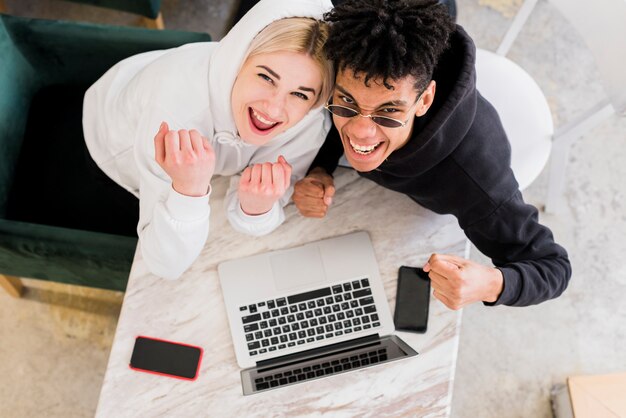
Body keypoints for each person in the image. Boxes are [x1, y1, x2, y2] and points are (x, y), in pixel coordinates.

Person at [293, 0, 572, 309]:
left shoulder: (475, 179)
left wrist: (493, 284)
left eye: (389, 112)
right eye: (346, 103)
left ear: (424, 100)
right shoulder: (349, 52)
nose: (360, 132)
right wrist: (321, 167)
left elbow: (554, 267)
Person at [82, 0, 334, 280]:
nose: (274, 109)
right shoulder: (173, 113)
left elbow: (264, 214)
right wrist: (189, 189)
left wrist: (255, 207)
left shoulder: (309, 121)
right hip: (111, 147)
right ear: (238, 62)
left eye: (300, 94)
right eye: (265, 77)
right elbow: (165, 265)